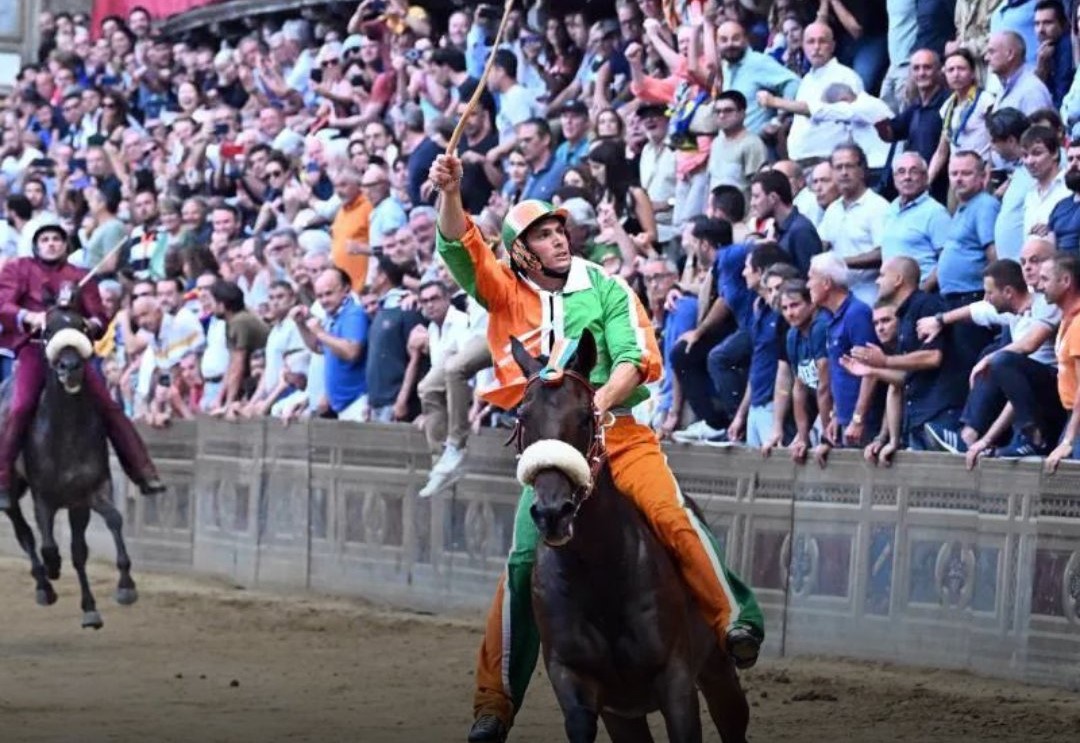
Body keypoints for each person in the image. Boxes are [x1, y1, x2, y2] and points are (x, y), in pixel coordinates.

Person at [427, 153, 763, 743]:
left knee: (669, 515)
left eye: (560, 231)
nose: (558, 241)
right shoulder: (502, 291)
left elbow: (635, 358)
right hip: (547, 452)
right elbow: (459, 244)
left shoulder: (606, 286)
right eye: (543, 235)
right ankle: (494, 703)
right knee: (523, 564)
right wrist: (451, 192)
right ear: (522, 251)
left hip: (618, 435)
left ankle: (734, 619)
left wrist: (600, 404)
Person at [0, 224, 165, 510]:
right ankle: (2, 479)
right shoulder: (18, 269)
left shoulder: (79, 276)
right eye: (45, 240)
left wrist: (90, 324)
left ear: (65, 245)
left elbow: (99, 316)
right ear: (36, 245)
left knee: (108, 405)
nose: (51, 244)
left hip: (73, 349)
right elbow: (4, 305)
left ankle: (143, 471)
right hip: (35, 349)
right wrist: (29, 316)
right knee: (20, 406)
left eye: (56, 239)